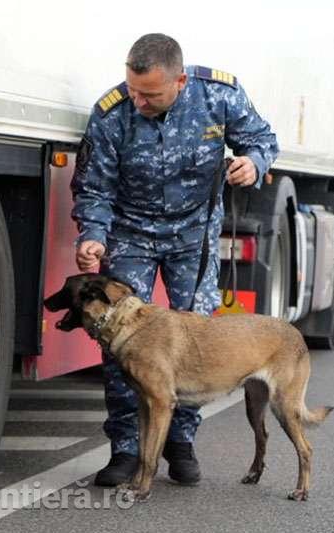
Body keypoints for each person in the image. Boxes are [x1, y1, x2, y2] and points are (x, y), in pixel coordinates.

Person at [71, 33, 279, 487]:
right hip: (131, 234)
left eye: (150, 94)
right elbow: (94, 187)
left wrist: (253, 163)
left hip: (194, 236)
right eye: (132, 89)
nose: (138, 100)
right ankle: (125, 449)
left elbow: (263, 139)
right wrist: (93, 237)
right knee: (121, 340)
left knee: (198, 338)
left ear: (180, 81)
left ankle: (180, 441)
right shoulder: (111, 113)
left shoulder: (219, 97)